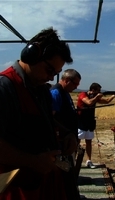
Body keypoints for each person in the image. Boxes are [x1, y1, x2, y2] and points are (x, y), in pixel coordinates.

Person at [0, 27, 77, 200]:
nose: (51, 78)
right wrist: (32, 161)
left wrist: (67, 134)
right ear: (31, 55)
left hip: (42, 185)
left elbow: (45, 120)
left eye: (55, 74)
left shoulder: (40, 89)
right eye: (49, 70)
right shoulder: (5, 88)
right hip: (17, 189)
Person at [50, 69, 81, 199]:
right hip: (60, 143)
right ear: (67, 80)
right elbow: (51, 118)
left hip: (68, 142)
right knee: (62, 178)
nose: (76, 87)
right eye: (75, 84)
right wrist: (66, 133)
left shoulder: (65, 92)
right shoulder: (56, 93)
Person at [77, 82, 115, 168]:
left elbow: (106, 101)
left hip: (90, 122)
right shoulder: (83, 94)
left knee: (89, 142)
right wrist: (96, 97)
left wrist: (114, 95)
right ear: (93, 90)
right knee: (77, 142)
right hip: (81, 122)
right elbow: (88, 103)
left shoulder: (94, 97)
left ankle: (88, 161)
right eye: (98, 91)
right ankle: (73, 160)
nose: (99, 92)